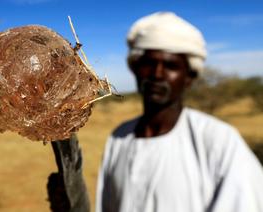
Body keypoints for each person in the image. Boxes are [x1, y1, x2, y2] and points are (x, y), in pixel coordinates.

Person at [96, 12, 263, 212]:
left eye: (171, 66)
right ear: (135, 69)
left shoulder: (220, 141)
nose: (157, 74)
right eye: (149, 63)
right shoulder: (119, 137)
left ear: (189, 77)